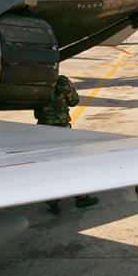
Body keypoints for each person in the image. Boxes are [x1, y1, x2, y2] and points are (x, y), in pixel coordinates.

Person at [34, 75, 98, 214]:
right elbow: (74, 101)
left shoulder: (38, 82)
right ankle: (80, 197)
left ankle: (52, 202)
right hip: (62, 129)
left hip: (43, 130)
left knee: (48, 166)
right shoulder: (62, 82)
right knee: (71, 164)